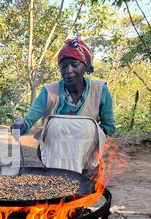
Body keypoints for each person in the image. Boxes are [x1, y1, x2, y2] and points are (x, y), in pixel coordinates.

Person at [11, 38, 116, 174]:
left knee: (89, 128)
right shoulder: (49, 92)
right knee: (54, 126)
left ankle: (83, 172)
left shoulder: (100, 90)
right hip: (54, 153)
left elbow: (109, 127)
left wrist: (87, 138)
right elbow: (30, 118)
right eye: (64, 65)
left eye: (74, 64)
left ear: (85, 66)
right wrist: (22, 124)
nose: (68, 70)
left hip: (85, 153)